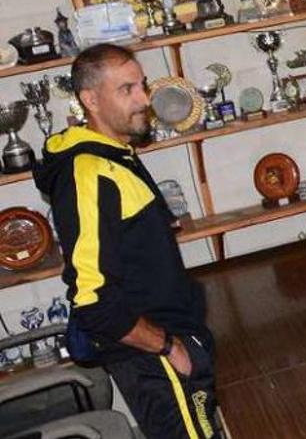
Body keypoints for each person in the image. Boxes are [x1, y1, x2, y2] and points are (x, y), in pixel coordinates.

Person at [33, 44, 222, 439]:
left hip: (171, 339)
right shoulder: (89, 173)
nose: (144, 99)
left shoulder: (116, 154)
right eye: (127, 89)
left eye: (142, 85)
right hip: (153, 356)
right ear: (90, 100)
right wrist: (169, 348)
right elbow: (92, 300)